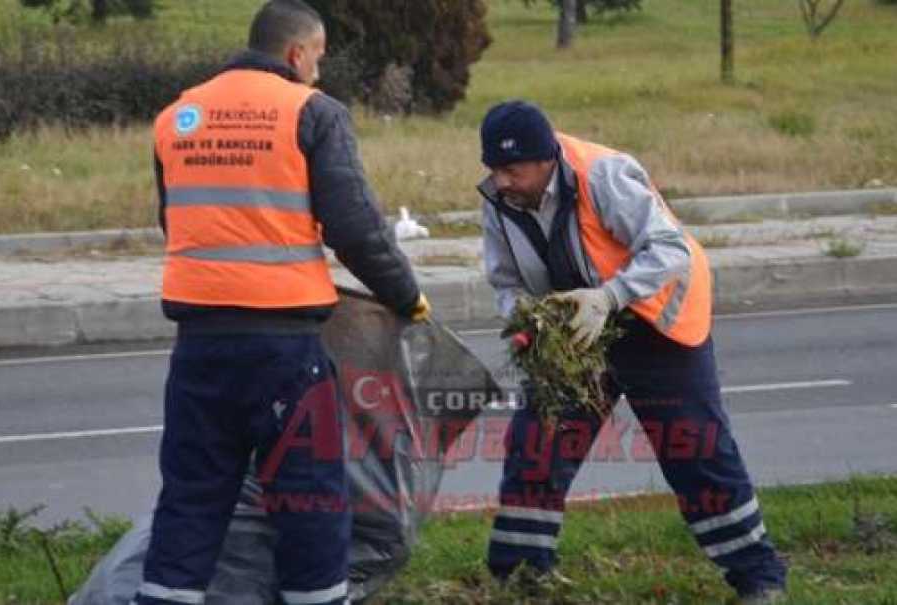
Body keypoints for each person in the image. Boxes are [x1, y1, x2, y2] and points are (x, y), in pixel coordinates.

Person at [133, 2, 430, 604]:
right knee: (309, 495)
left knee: (192, 494)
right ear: (297, 53)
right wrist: (407, 296)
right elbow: (355, 229)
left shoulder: (178, 115)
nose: (318, 70)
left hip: (199, 343)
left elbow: (178, 222)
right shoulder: (312, 112)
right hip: (285, 348)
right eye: (317, 57)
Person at [478, 100, 787, 604]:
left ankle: (759, 576)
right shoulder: (498, 200)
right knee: (537, 443)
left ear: (546, 159)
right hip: (578, 332)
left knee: (695, 448)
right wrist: (526, 320)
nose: (502, 181)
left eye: (513, 170)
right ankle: (520, 576)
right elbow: (505, 280)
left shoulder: (603, 175)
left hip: (653, 320)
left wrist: (608, 297)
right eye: (494, 169)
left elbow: (670, 249)